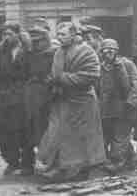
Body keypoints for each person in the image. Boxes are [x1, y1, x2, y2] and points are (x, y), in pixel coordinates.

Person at [38, 22, 106, 182]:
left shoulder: (87, 51)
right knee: (59, 134)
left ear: (74, 35)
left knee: (80, 138)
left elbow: (92, 75)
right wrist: (51, 81)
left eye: (63, 34)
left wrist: (62, 78)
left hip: (82, 101)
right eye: (58, 34)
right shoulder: (59, 52)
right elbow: (55, 73)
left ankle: (80, 170)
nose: (59, 37)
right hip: (62, 99)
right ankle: (62, 167)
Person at [0, 21, 30, 176]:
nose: (6, 37)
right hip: (4, 96)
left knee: (24, 131)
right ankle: (12, 161)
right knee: (4, 130)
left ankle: (27, 163)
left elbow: (31, 73)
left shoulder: (28, 50)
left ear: (18, 34)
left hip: (23, 96)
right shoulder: (2, 50)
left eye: (10, 34)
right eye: (4, 34)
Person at [98, 38, 137, 169]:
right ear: (101, 51)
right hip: (105, 108)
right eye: (106, 49)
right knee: (109, 135)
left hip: (124, 107)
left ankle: (117, 163)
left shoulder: (127, 65)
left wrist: (131, 103)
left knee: (120, 136)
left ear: (117, 51)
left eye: (112, 50)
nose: (109, 52)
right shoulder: (99, 66)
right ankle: (132, 159)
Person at [21, 26, 56, 176]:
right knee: (27, 129)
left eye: (39, 41)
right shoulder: (28, 54)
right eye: (33, 41)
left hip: (48, 97)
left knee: (48, 131)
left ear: (45, 40)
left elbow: (57, 73)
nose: (35, 44)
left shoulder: (54, 54)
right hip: (30, 96)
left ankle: (52, 164)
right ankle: (27, 163)